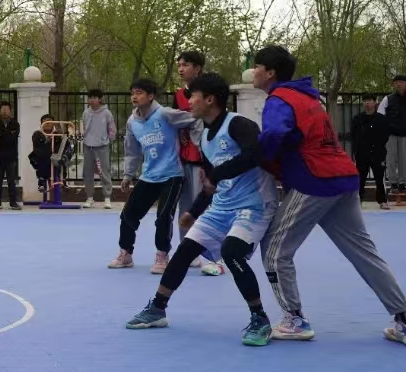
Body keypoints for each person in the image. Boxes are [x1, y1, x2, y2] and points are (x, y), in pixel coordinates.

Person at [253, 45, 406, 345]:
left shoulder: (279, 99)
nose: (253, 71)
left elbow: (273, 135)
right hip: (343, 177)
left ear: (270, 72)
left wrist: (258, 159)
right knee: (364, 252)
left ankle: (295, 319)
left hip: (315, 182)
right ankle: (403, 318)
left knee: (274, 250)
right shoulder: (309, 98)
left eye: (257, 66)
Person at [126, 73, 279, 346]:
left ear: (210, 99)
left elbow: (255, 155)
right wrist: (194, 211)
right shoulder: (205, 136)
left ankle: (260, 318)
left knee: (232, 253)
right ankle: (157, 309)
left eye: (193, 96)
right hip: (222, 206)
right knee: (184, 251)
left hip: (253, 205)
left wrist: (218, 173)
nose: (189, 102)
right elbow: (210, 183)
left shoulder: (239, 124)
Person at [109, 78, 196, 274]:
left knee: (163, 216)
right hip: (148, 175)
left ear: (150, 96)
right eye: (132, 93)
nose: (134, 96)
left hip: (172, 175)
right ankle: (125, 254)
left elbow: (194, 118)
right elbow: (132, 151)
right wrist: (128, 175)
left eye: (139, 93)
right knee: (128, 215)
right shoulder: (132, 122)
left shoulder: (165, 114)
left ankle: (162, 255)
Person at [172, 51, 218, 274]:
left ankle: (211, 255)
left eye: (186, 65)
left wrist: (208, 164)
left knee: (204, 206)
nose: (181, 69)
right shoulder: (179, 95)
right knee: (184, 206)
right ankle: (187, 251)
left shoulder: (210, 91)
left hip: (203, 160)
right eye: (179, 65)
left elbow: (212, 126)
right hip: (182, 158)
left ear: (197, 68)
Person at [353, 94, 391, 209]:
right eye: (365, 101)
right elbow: (354, 136)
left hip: (377, 152)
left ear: (375, 102)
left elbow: (385, 135)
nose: (367, 103)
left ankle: (382, 201)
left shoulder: (381, 119)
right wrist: (356, 151)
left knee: (379, 177)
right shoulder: (358, 119)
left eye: (369, 101)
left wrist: (379, 147)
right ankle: (358, 201)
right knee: (360, 178)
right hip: (362, 153)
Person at [81, 89, 116, 209]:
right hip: (88, 146)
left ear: (100, 99)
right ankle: (89, 198)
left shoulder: (107, 113)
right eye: (90, 98)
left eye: (94, 98)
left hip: (102, 146)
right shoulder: (86, 113)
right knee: (87, 173)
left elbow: (111, 129)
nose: (92, 100)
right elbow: (84, 127)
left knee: (104, 172)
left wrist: (109, 140)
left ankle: (107, 198)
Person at [377, 75, 406, 193]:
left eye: (401, 82)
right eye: (396, 82)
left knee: (404, 159)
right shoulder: (387, 99)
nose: (398, 84)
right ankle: (393, 183)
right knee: (391, 159)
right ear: (394, 84)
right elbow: (380, 116)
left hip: (405, 135)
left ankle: (403, 183)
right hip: (390, 134)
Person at [0, 101, 21, 210]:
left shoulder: (15, 124)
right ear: (0, 111)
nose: (4, 112)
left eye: (6, 109)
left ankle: (13, 203)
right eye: (2, 109)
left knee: (11, 181)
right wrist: (6, 135)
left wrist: (1, 135)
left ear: (10, 111)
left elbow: (12, 139)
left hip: (11, 157)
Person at [29, 114, 54, 191]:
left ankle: (42, 180)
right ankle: (42, 180)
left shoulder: (57, 134)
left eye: (49, 122)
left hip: (54, 160)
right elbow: (38, 148)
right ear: (41, 124)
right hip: (40, 159)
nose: (47, 123)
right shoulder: (37, 134)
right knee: (44, 155)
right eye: (45, 122)